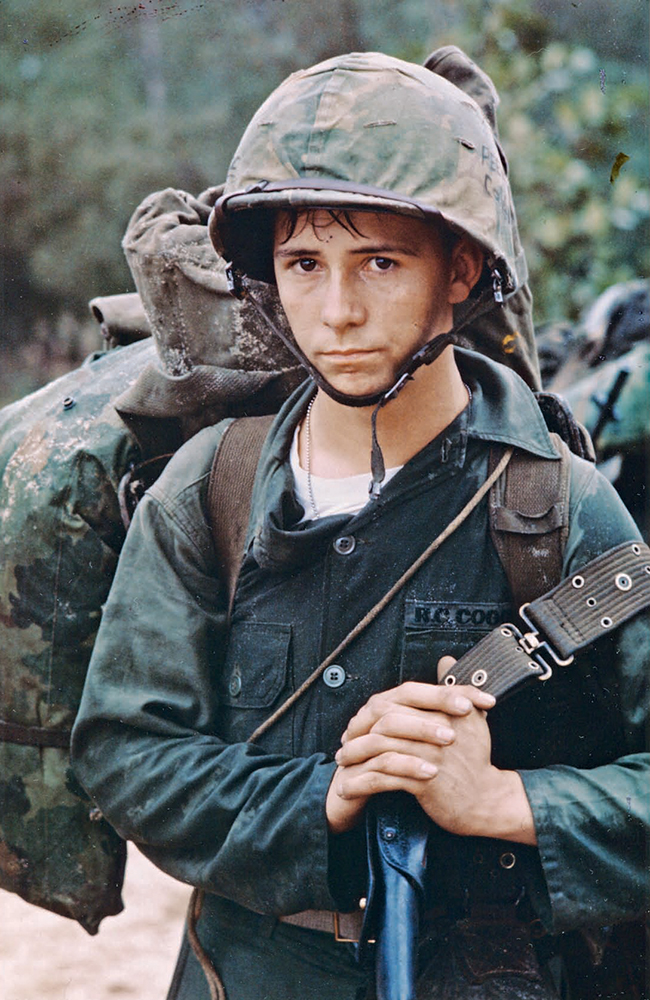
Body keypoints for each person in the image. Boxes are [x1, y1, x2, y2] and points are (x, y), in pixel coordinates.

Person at [71, 51, 648, 1000]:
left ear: (461, 268)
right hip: (242, 974)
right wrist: (319, 801)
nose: (335, 311)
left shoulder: (556, 506)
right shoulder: (213, 485)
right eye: (304, 264)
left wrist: (509, 802)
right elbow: (127, 752)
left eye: (380, 262)